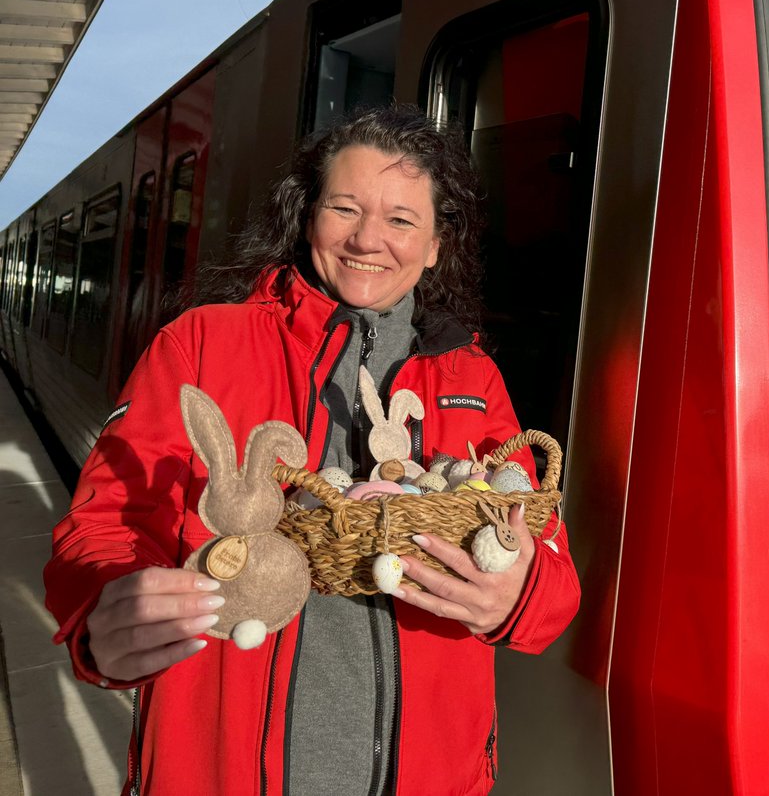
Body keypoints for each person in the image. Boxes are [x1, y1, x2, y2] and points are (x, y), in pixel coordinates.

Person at [43, 104, 580, 796]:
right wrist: (105, 612)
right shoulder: (203, 344)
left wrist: (518, 591)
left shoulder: (472, 378)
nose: (368, 240)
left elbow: (552, 571)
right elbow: (106, 520)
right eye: (345, 208)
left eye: (400, 220)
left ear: (437, 244)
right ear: (308, 217)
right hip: (223, 773)